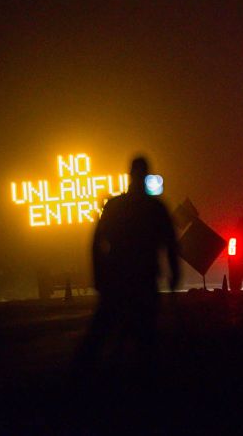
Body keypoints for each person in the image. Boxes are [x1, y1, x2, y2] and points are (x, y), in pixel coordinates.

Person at [77, 156, 180, 375]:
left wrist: (99, 276)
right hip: (144, 280)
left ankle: (81, 379)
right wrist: (174, 275)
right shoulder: (156, 208)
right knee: (145, 336)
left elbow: (96, 243)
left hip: (116, 281)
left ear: (129, 176)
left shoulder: (115, 206)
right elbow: (170, 244)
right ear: (146, 176)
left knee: (100, 333)